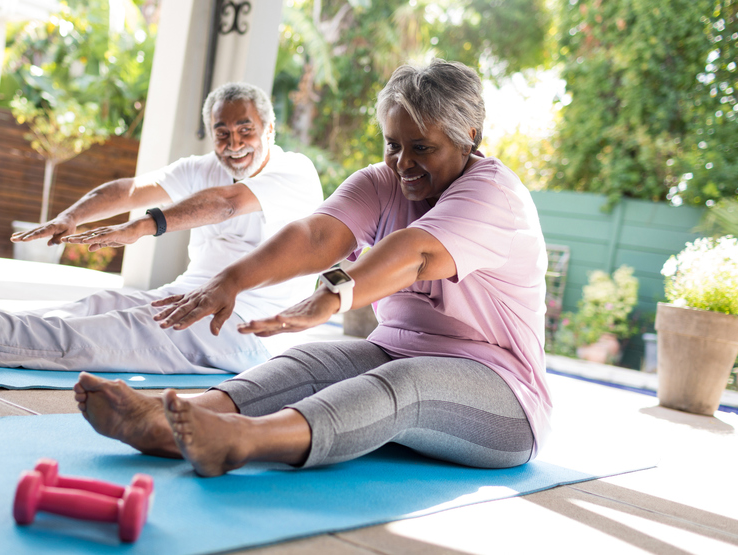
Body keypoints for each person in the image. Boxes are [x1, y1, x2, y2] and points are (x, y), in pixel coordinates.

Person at [73, 59, 552, 477]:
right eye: (392, 145)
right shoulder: (384, 182)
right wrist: (229, 282)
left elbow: (416, 253)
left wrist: (329, 296)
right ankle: (168, 421)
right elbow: (316, 236)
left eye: (421, 148)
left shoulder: (494, 194)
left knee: (402, 385)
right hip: (398, 352)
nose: (402, 162)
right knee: (310, 361)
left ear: (469, 137)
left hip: (503, 398)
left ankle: (239, 442)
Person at [0, 82, 323, 374]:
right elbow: (131, 189)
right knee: (102, 305)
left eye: (246, 130)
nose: (234, 144)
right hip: (188, 295)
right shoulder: (203, 167)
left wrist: (146, 226)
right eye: (223, 132)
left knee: (129, 328)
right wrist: (71, 216)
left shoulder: (295, 172)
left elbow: (227, 204)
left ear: (269, 130)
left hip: (252, 328)